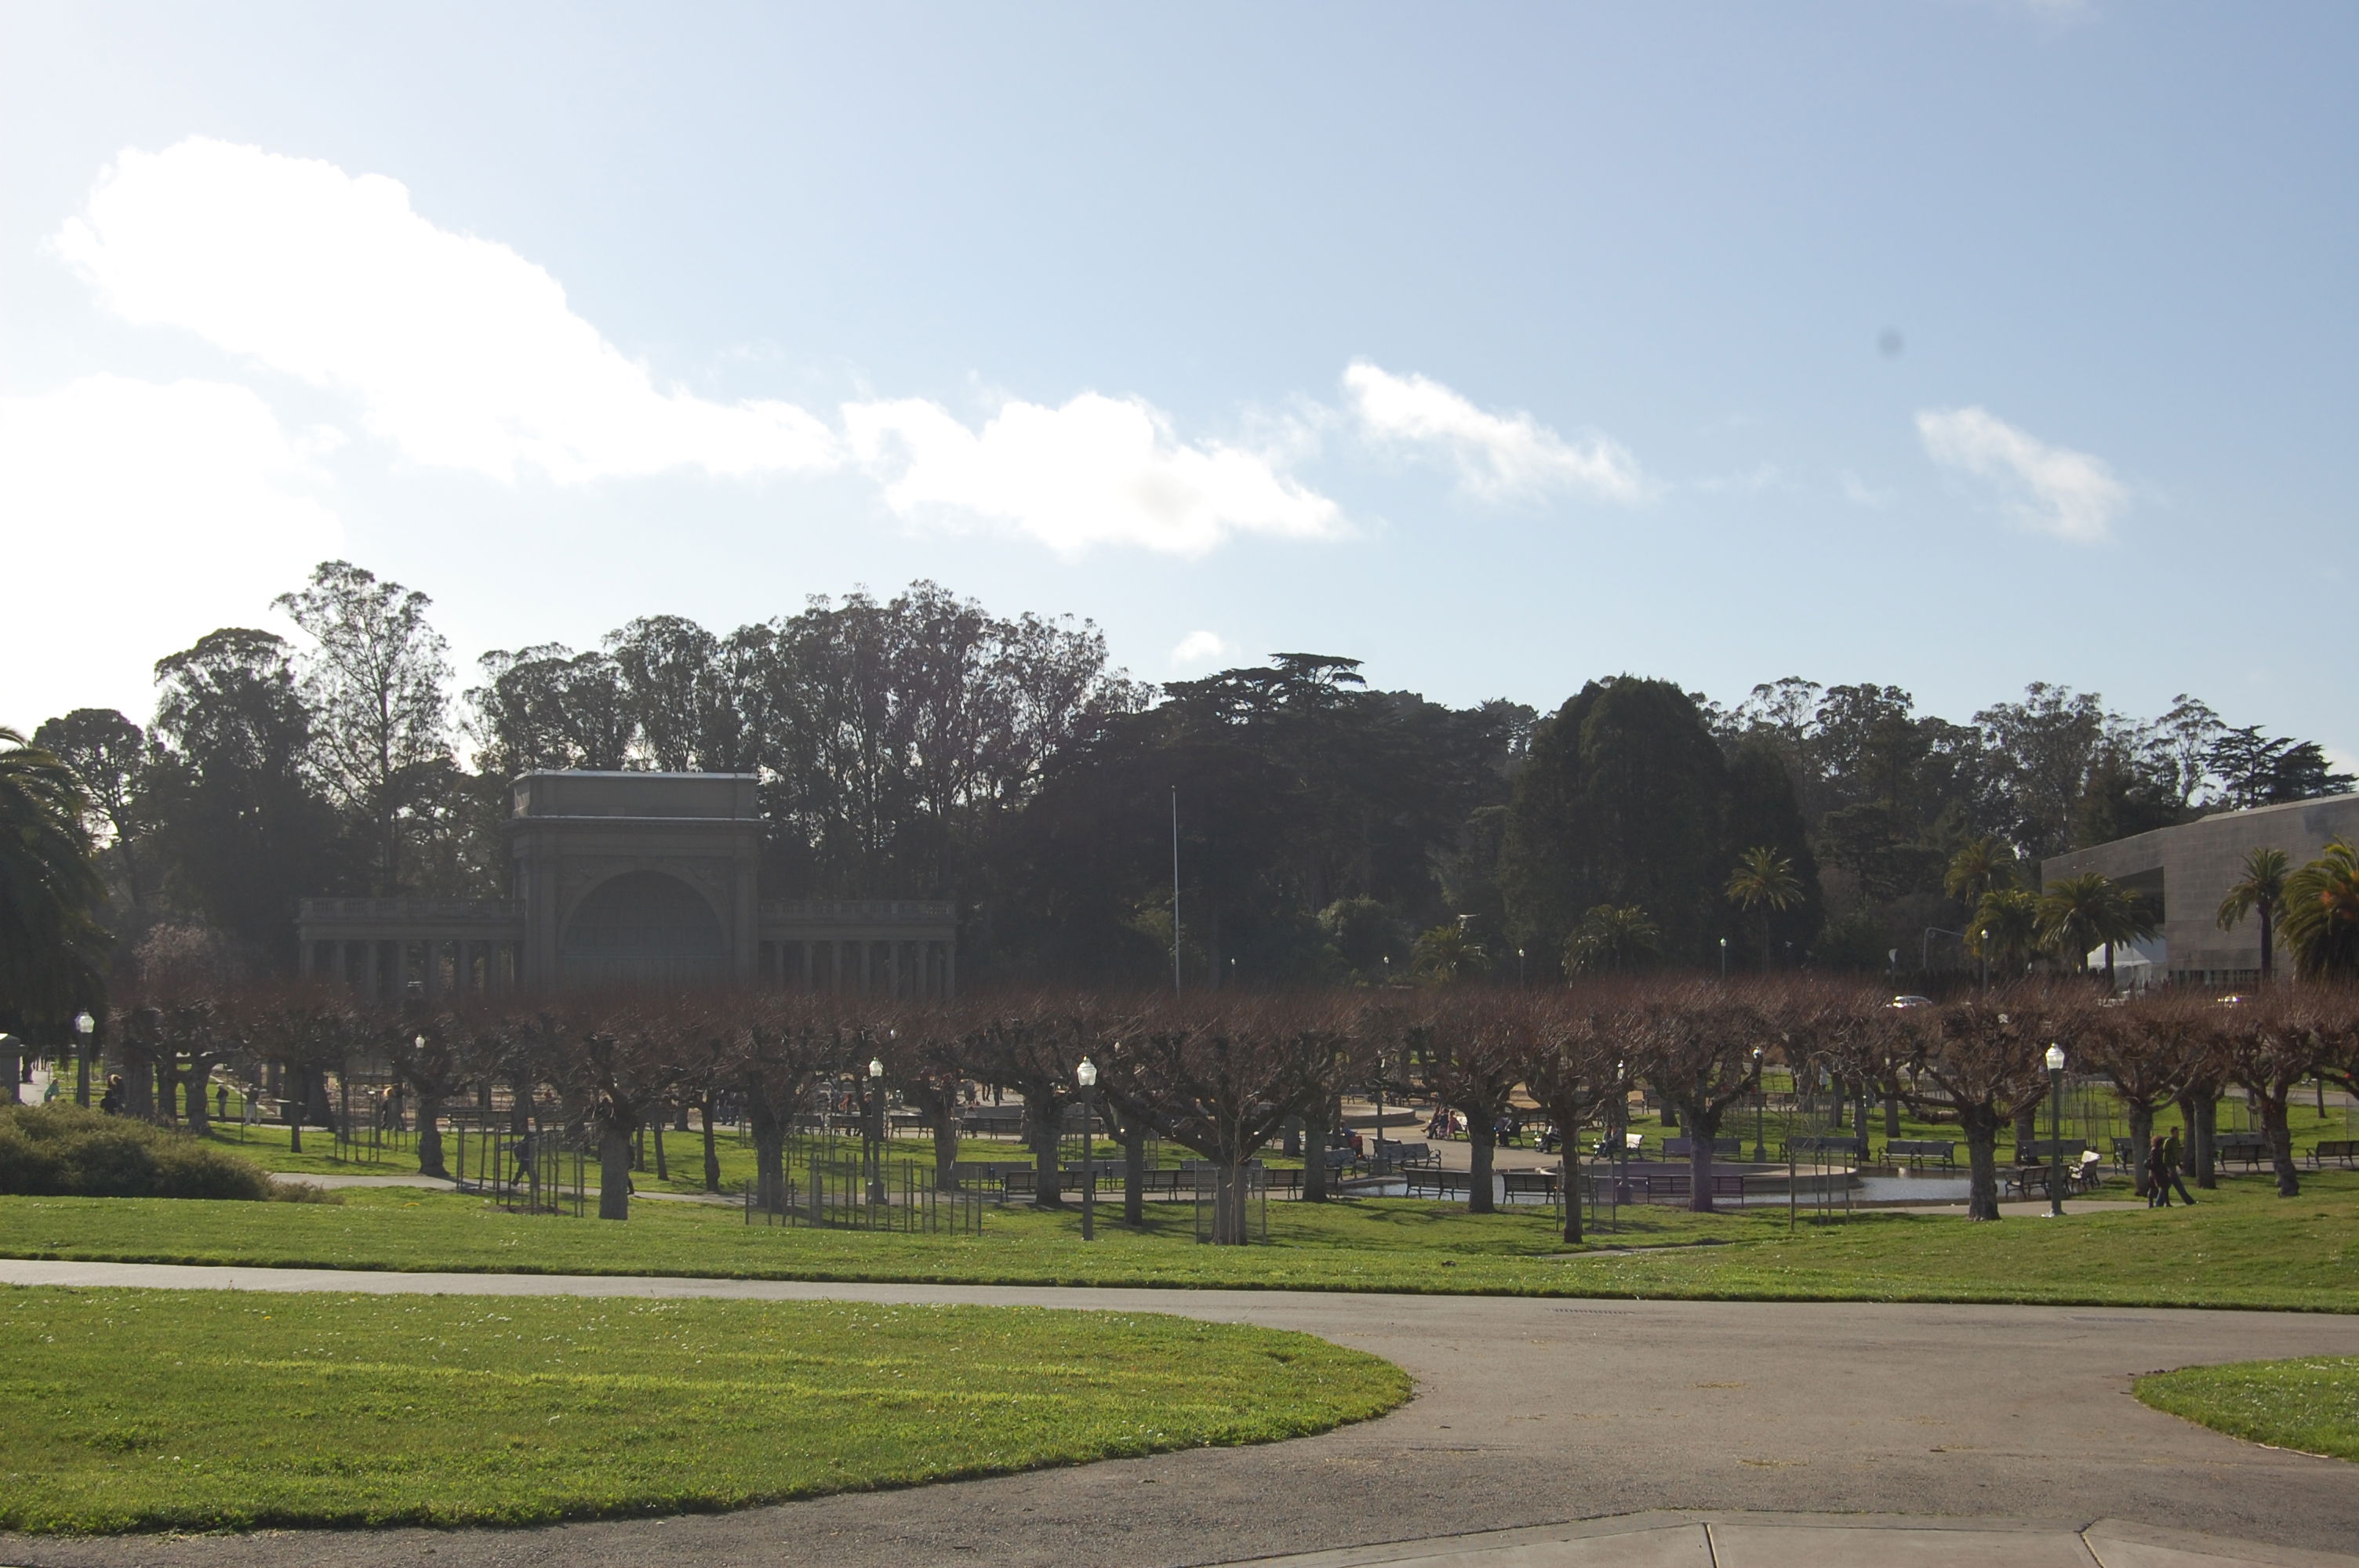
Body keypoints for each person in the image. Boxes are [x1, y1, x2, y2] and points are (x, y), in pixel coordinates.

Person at [2158, 1128, 2197, 1206]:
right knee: (2178, 1185)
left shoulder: (2176, 1141)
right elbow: (2165, 1153)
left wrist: (2179, 1164)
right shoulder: (2168, 1141)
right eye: (2176, 1132)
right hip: (2169, 1166)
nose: (2178, 1134)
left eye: (2178, 1132)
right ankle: (2189, 1201)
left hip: (2173, 1165)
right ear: (2172, 1133)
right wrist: (2166, 1166)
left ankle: (2159, 1203)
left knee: (2166, 1185)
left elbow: (2176, 1154)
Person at [2146, 1135, 2173, 1207]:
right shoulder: (2156, 1151)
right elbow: (2157, 1163)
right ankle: (2166, 1203)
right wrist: (2164, 1170)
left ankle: (2151, 1204)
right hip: (2157, 1172)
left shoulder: (2155, 1150)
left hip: (2153, 1172)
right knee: (2164, 1186)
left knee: (2152, 1188)